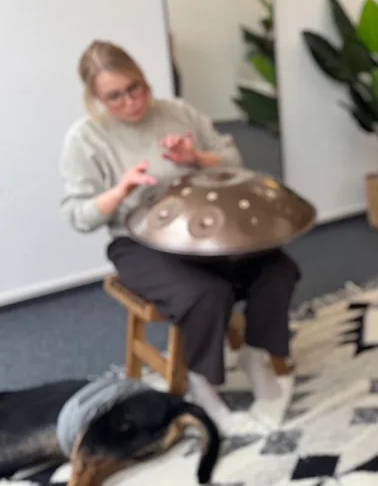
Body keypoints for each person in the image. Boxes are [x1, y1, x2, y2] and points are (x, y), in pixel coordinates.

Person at [59, 40, 300, 429]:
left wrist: (196, 160)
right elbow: (78, 215)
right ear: (96, 97)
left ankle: (255, 357)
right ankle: (200, 382)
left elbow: (233, 160)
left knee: (277, 268)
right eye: (114, 97)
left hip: (204, 231)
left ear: (143, 79)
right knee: (206, 293)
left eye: (135, 88)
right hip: (137, 243)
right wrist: (120, 190)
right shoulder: (86, 138)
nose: (130, 103)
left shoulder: (177, 113)